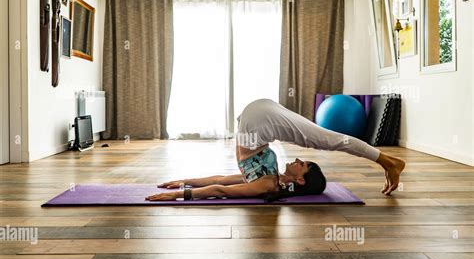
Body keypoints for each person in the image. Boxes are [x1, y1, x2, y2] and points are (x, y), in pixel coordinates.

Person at [146, 99, 405, 201]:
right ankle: (387, 161)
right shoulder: (271, 179)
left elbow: (219, 185)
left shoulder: (267, 184)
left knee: (331, 139)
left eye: (303, 164)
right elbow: (220, 186)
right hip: (259, 119)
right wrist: (184, 187)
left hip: (258, 118)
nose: (299, 159)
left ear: (300, 178)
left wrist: (182, 189)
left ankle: (388, 161)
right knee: (328, 139)